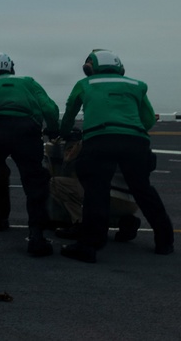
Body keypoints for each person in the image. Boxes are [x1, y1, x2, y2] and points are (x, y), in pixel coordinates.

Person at [58, 50, 174, 263]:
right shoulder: (136, 85)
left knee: (96, 192)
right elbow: (147, 119)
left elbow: (69, 114)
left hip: (99, 140)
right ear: (120, 68)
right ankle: (164, 241)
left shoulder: (85, 84)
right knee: (143, 190)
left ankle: (90, 246)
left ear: (90, 67)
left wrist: (64, 132)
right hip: (135, 142)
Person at [0, 52, 59, 256]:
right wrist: (55, 129)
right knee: (34, 180)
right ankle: (37, 234)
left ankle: (0, 217)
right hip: (27, 130)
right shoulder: (28, 81)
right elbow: (49, 107)